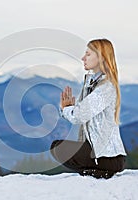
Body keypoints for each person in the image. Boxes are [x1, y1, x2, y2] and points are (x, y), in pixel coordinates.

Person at [50, 39, 127, 179]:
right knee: (58, 147)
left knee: (57, 147)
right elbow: (81, 111)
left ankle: (97, 171)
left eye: (88, 54)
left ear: (101, 57)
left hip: (108, 158)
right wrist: (70, 108)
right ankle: (94, 171)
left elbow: (79, 115)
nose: (83, 58)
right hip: (99, 154)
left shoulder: (105, 87)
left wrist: (66, 109)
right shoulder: (93, 83)